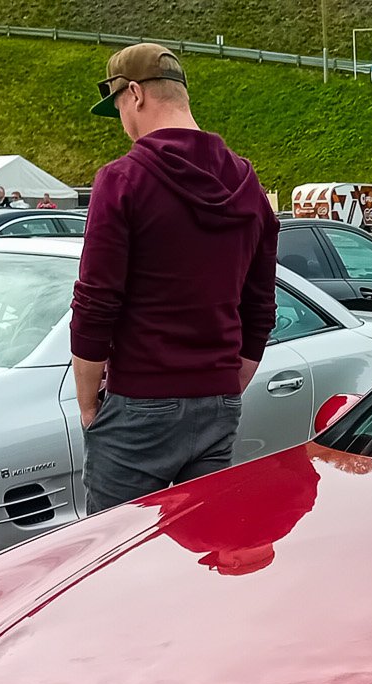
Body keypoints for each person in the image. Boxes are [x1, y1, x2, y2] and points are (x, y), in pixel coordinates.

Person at [72, 42, 278, 510]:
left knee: (115, 555)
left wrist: (89, 404)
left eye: (120, 107)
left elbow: (96, 302)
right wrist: (223, 382)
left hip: (140, 401)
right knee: (202, 545)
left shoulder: (122, 180)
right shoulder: (249, 186)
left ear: (135, 94)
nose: (123, 122)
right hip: (219, 401)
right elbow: (260, 310)